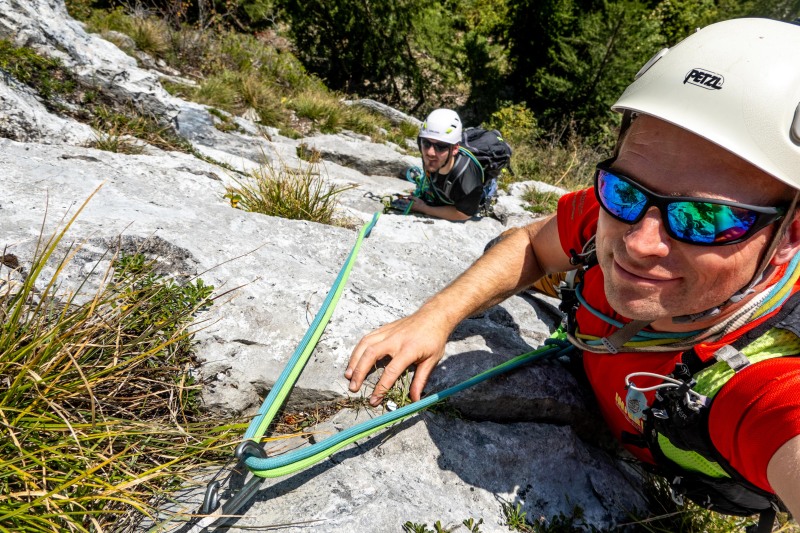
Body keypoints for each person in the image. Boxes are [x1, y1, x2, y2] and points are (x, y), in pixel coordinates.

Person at [345, 18, 800, 529]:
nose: (638, 243)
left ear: (790, 235)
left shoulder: (767, 377)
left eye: (704, 219)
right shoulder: (621, 212)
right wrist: (438, 315)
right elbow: (527, 242)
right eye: (624, 191)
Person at [398, 109, 485, 221]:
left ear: (455, 149)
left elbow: (464, 214)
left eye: (441, 146)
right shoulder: (431, 154)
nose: (430, 153)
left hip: (470, 194)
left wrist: (424, 208)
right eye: (426, 143)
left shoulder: (467, 182)